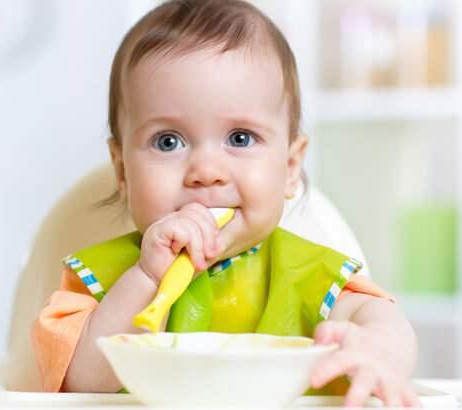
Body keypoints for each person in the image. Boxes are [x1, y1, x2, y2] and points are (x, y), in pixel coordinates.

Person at [32, 0, 419, 406]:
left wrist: (379, 351)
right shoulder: (99, 280)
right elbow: (78, 381)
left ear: (289, 167)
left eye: (240, 138)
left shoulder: (308, 276)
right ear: (123, 170)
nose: (206, 171)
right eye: (168, 141)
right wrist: (146, 278)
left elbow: (382, 321)